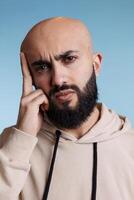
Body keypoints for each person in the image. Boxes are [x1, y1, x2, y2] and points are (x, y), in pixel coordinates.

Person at [0, 17, 134, 200]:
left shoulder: (130, 146)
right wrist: (22, 139)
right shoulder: (11, 145)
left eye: (69, 59)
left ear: (95, 65)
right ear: (30, 78)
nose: (57, 79)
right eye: (42, 67)